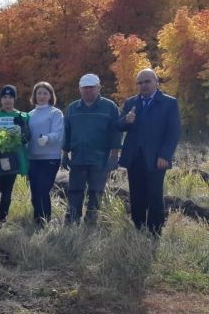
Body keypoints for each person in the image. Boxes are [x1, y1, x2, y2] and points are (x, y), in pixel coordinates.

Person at [117, 68, 181, 235]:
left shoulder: (169, 103)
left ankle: (154, 231)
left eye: (147, 81)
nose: (143, 85)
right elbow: (118, 126)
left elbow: (173, 132)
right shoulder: (131, 102)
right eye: (140, 82)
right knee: (136, 195)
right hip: (134, 158)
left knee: (154, 195)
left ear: (156, 82)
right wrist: (126, 120)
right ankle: (138, 228)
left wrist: (165, 156)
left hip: (156, 158)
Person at [62, 73, 121, 225]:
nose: (88, 91)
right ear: (80, 89)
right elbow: (66, 132)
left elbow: (116, 132)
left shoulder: (110, 107)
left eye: (91, 88)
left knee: (96, 192)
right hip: (78, 157)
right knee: (75, 190)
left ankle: (91, 222)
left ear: (99, 88)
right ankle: (72, 221)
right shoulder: (72, 108)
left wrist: (114, 156)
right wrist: (64, 154)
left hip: (100, 158)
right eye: (85, 88)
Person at [0, 85, 29, 224]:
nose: (7, 100)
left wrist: (23, 127)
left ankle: (2, 216)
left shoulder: (22, 116)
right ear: (1, 99)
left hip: (13, 158)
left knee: (7, 190)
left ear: (14, 99)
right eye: (4, 97)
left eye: (10, 97)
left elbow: (26, 138)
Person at [27, 81, 64, 226]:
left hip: (50, 158)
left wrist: (47, 138)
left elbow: (58, 133)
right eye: (39, 93)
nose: (42, 96)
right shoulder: (29, 115)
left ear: (50, 96)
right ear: (34, 96)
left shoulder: (55, 113)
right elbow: (26, 136)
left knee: (43, 190)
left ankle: (45, 221)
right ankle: (37, 221)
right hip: (32, 158)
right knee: (35, 191)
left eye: (45, 93)